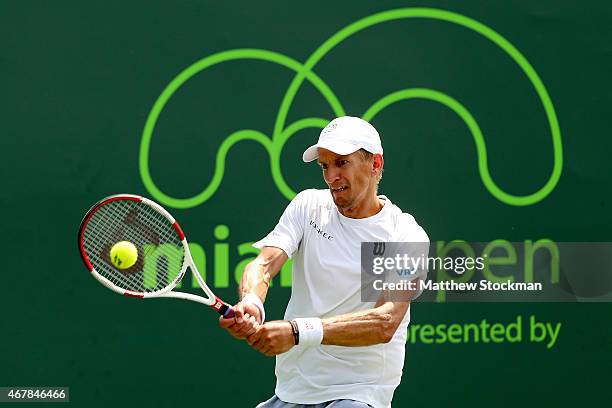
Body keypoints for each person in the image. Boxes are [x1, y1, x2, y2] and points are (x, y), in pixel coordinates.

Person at [219, 116, 429, 408]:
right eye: (325, 166)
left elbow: (385, 321)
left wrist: (297, 332)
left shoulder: (403, 234)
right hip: (293, 391)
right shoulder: (309, 207)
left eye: (341, 163)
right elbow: (264, 265)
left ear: (375, 164)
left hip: (358, 393)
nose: (331, 176)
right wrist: (252, 301)